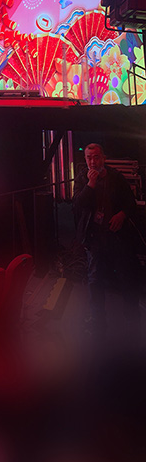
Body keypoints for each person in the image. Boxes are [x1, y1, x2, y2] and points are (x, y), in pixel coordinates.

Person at [73, 143, 140, 341]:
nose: (93, 161)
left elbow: (131, 203)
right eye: (89, 158)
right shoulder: (82, 178)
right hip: (95, 238)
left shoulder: (116, 177)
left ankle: (133, 320)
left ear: (103, 158)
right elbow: (78, 205)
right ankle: (97, 323)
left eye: (96, 157)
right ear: (85, 160)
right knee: (95, 280)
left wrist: (122, 214)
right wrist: (90, 185)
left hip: (117, 237)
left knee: (127, 277)